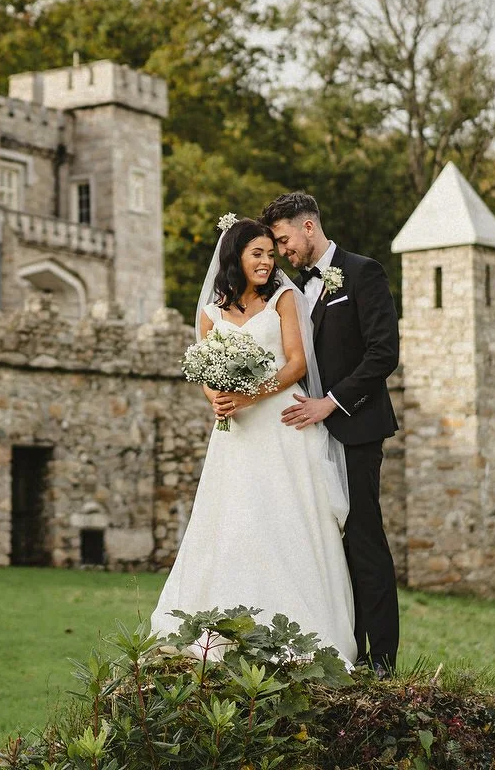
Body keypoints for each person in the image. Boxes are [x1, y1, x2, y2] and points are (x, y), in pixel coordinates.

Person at [150, 217, 357, 664]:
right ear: (236, 258)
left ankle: (301, 634)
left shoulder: (284, 298)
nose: (267, 262)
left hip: (282, 425)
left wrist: (250, 394)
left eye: (270, 253)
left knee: (284, 519)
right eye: (257, 254)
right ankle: (222, 631)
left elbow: (297, 363)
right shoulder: (210, 312)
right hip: (237, 437)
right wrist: (217, 398)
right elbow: (206, 369)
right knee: (233, 520)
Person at [262, 192, 401, 674]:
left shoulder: (364, 273)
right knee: (327, 543)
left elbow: (383, 354)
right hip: (311, 438)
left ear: (308, 227)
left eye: (283, 241)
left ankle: (382, 659)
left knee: (364, 538)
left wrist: (331, 403)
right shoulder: (300, 289)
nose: (282, 252)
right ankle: (349, 650)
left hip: (357, 428)